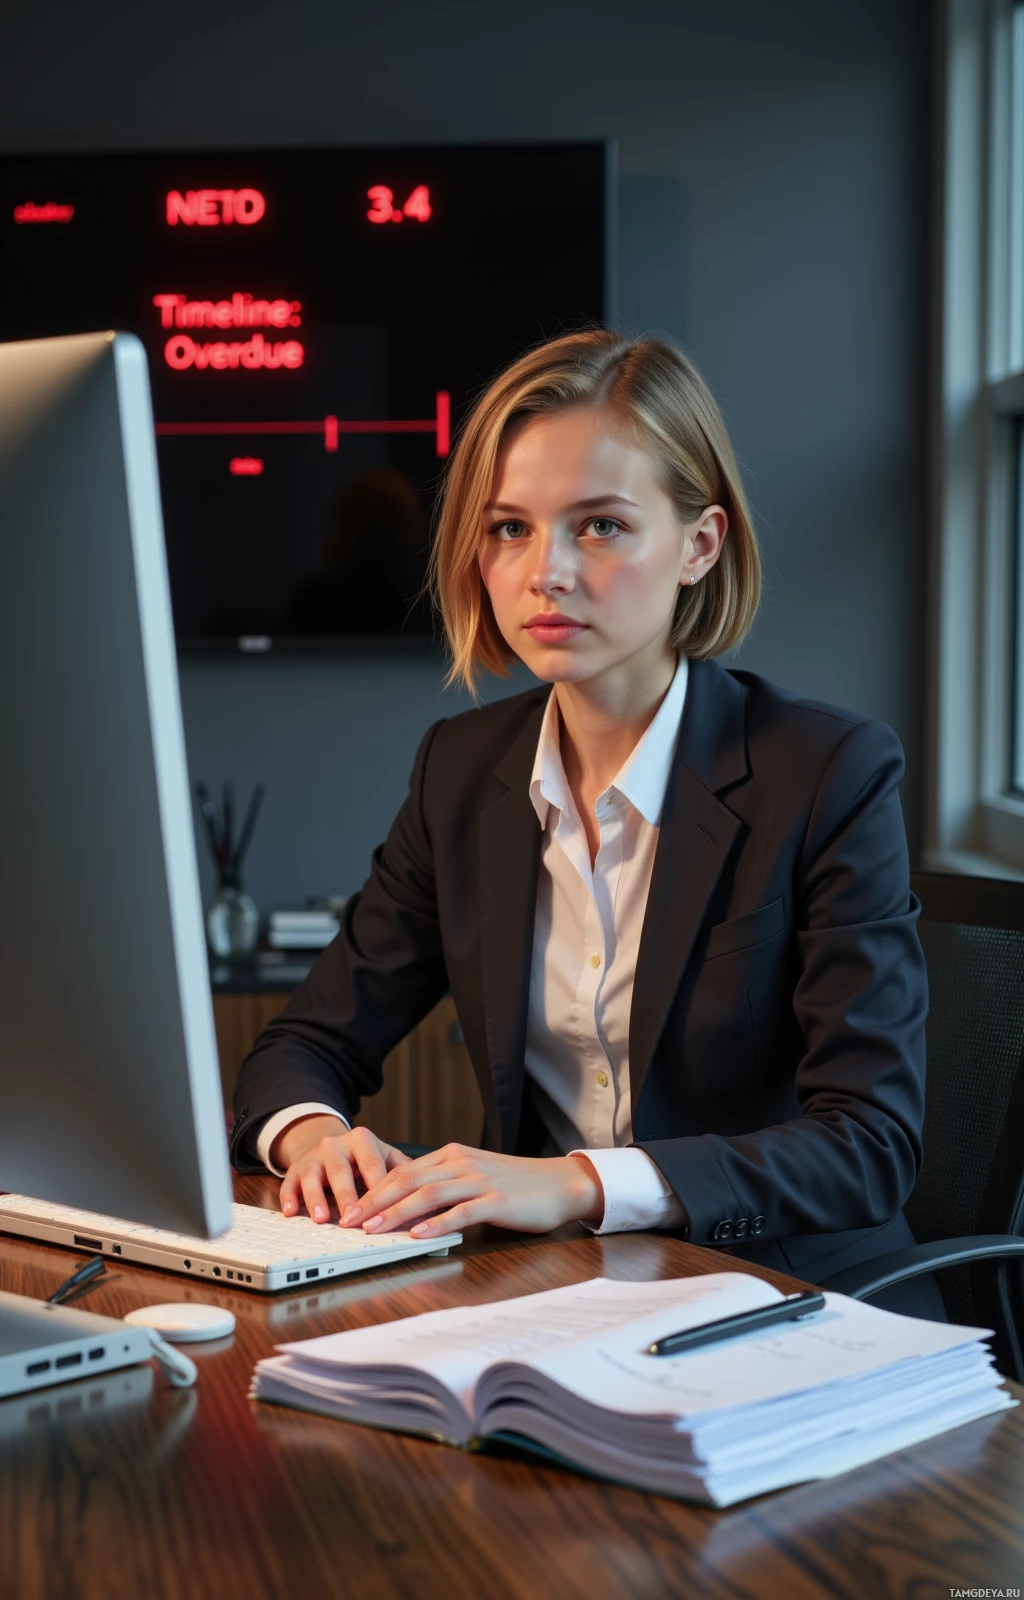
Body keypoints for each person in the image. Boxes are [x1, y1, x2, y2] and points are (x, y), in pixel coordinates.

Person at [231, 328, 940, 1315]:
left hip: (791, 1299)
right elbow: (302, 1044)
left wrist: (578, 1181)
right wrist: (315, 1138)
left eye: (599, 526)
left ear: (699, 544)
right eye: (508, 528)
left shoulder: (825, 771)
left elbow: (869, 1145)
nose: (544, 572)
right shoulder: (461, 770)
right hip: (560, 1297)